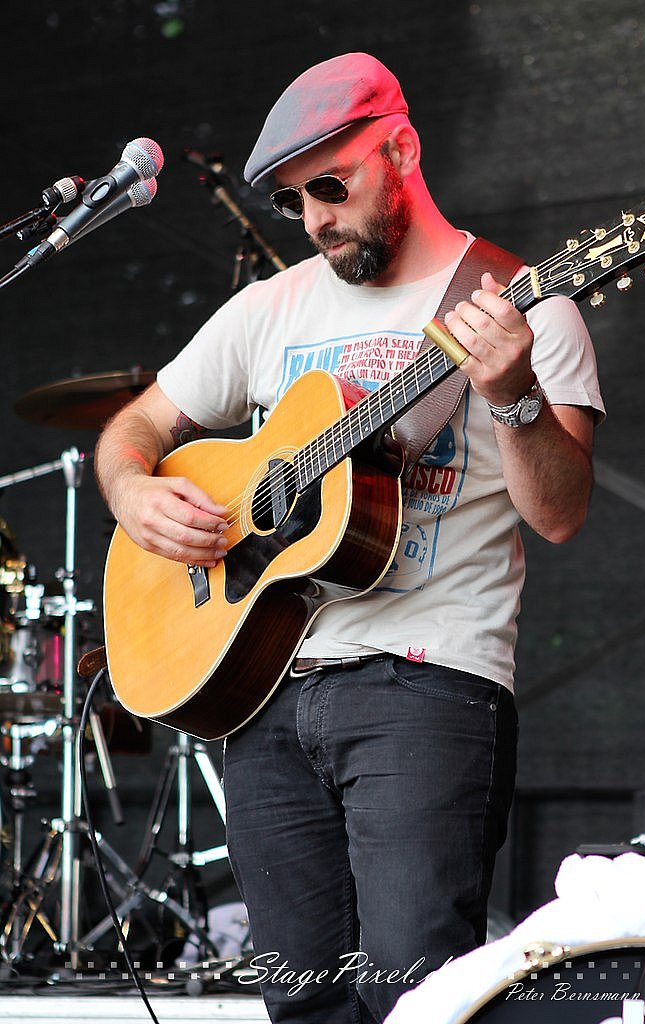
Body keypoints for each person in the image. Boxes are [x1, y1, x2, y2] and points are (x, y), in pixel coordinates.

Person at [95, 53, 603, 1024]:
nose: (317, 218)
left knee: (415, 997)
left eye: (332, 184)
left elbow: (559, 513)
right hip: (264, 698)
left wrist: (514, 396)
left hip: (427, 684)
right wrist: (131, 493)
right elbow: (134, 428)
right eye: (294, 202)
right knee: (299, 1008)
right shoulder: (267, 311)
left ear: (401, 146)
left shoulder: (518, 299)